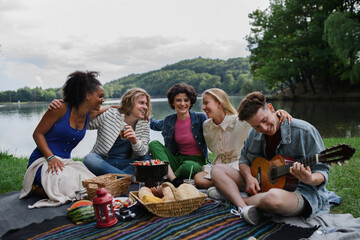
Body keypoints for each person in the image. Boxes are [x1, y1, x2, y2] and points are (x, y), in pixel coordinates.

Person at [211, 91, 331, 225]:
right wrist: (249, 178)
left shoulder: (305, 131)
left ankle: (233, 197)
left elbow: (322, 171)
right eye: (256, 126)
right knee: (217, 170)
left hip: (298, 192)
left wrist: (310, 178)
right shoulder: (254, 134)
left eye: (264, 120)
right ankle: (244, 207)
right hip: (260, 183)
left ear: (271, 108)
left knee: (272, 198)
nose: (263, 128)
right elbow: (244, 160)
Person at [20, 71, 105, 208]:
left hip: (66, 163)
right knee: (67, 183)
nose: (103, 100)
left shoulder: (89, 114)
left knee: (89, 183)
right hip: (43, 160)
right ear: (87, 95)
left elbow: (110, 108)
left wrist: (120, 107)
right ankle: (36, 189)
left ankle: (49, 190)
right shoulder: (60, 108)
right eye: (100, 96)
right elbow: (38, 134)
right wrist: (50, 157)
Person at [194, 88, 292, 189]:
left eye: (206, 103)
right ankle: (225, 184)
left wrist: (279, 113)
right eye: (203, 104)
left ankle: (225, 185)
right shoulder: (206, 125)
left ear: (219, 103)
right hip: (219, 164)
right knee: (198, 179)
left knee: (213, 177)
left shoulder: (240, 121)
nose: (203, 107)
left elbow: (260, 118)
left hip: (238, 165)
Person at [83, 88, 152, 176]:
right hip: (105, 162)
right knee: (89, 159)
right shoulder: (110, 115)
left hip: (126, 164)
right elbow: (85, 123)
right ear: (129, 102)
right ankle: (128, 177)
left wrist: (135, 141)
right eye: (141, 103)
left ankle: (115, 176)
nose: (145, 107)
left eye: (146, 104)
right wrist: (108, 107)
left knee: (148, 158)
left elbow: (143, 152)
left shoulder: (144, 123)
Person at [149, 83, 208, 185]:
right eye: (178, 100)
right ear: (173, 102)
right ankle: (174, 179)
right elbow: (154, 124)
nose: (182, 104)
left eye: (186, 100)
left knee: (188, 166)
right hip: (176, 159)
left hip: (195, 162)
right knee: (153, 144)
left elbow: (215, 125)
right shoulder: (169, 120)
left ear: (190, 102)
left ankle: (168, 179)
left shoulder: (201, 118)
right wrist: (135, 112)